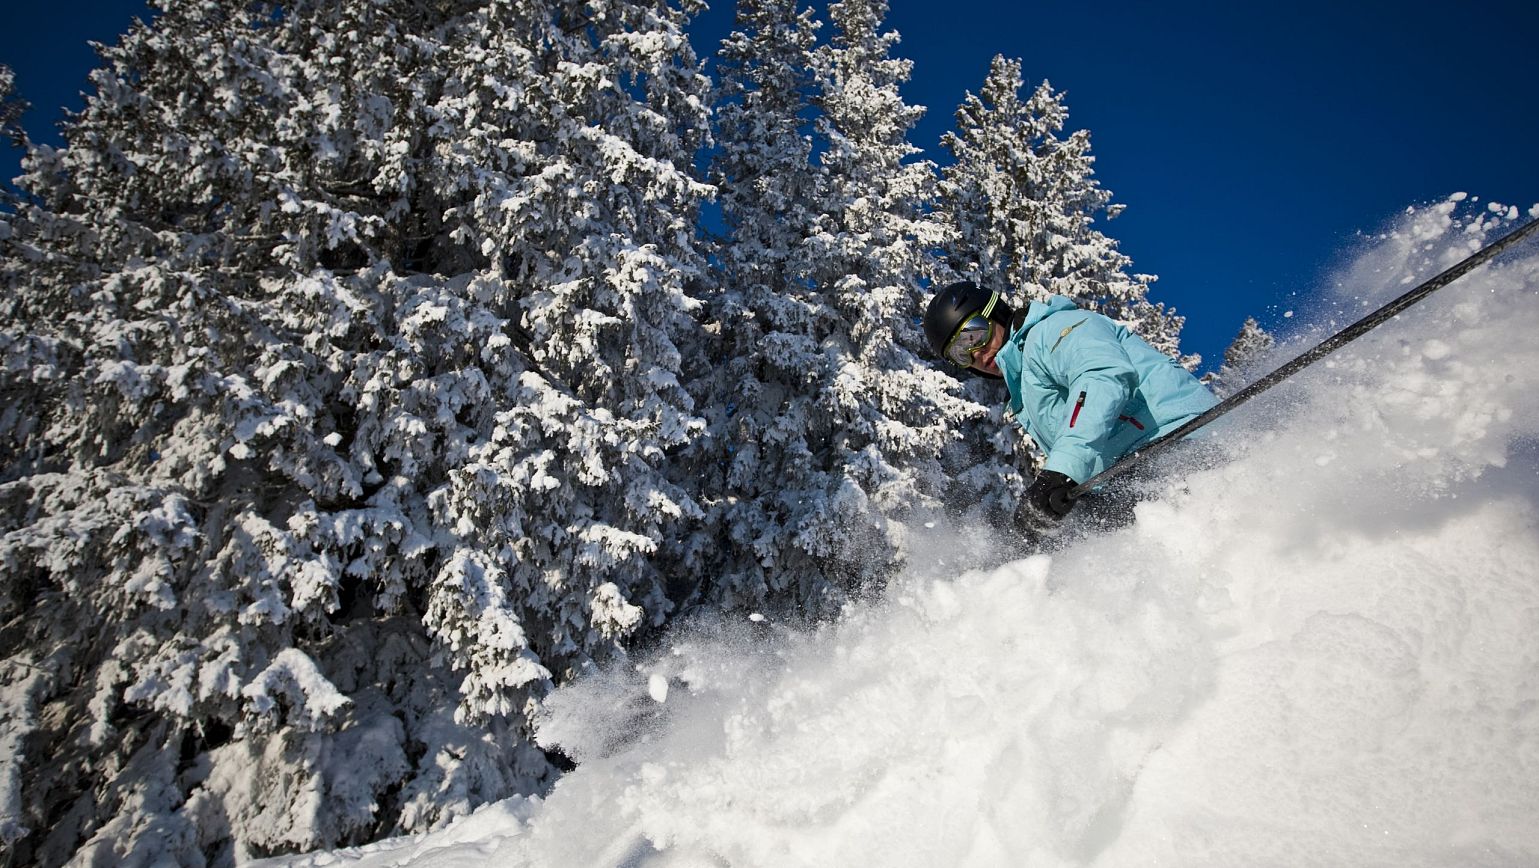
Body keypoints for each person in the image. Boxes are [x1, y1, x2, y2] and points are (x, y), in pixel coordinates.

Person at [922, 281, 1217, 530]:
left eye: (973, 333)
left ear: (995, 312)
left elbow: (1102, 376)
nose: (975, 352)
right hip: (1133, 469)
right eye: (960, 353)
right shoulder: (1026, 387)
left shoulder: (1049, 332)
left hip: (1178, 439)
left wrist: (1062, 471)